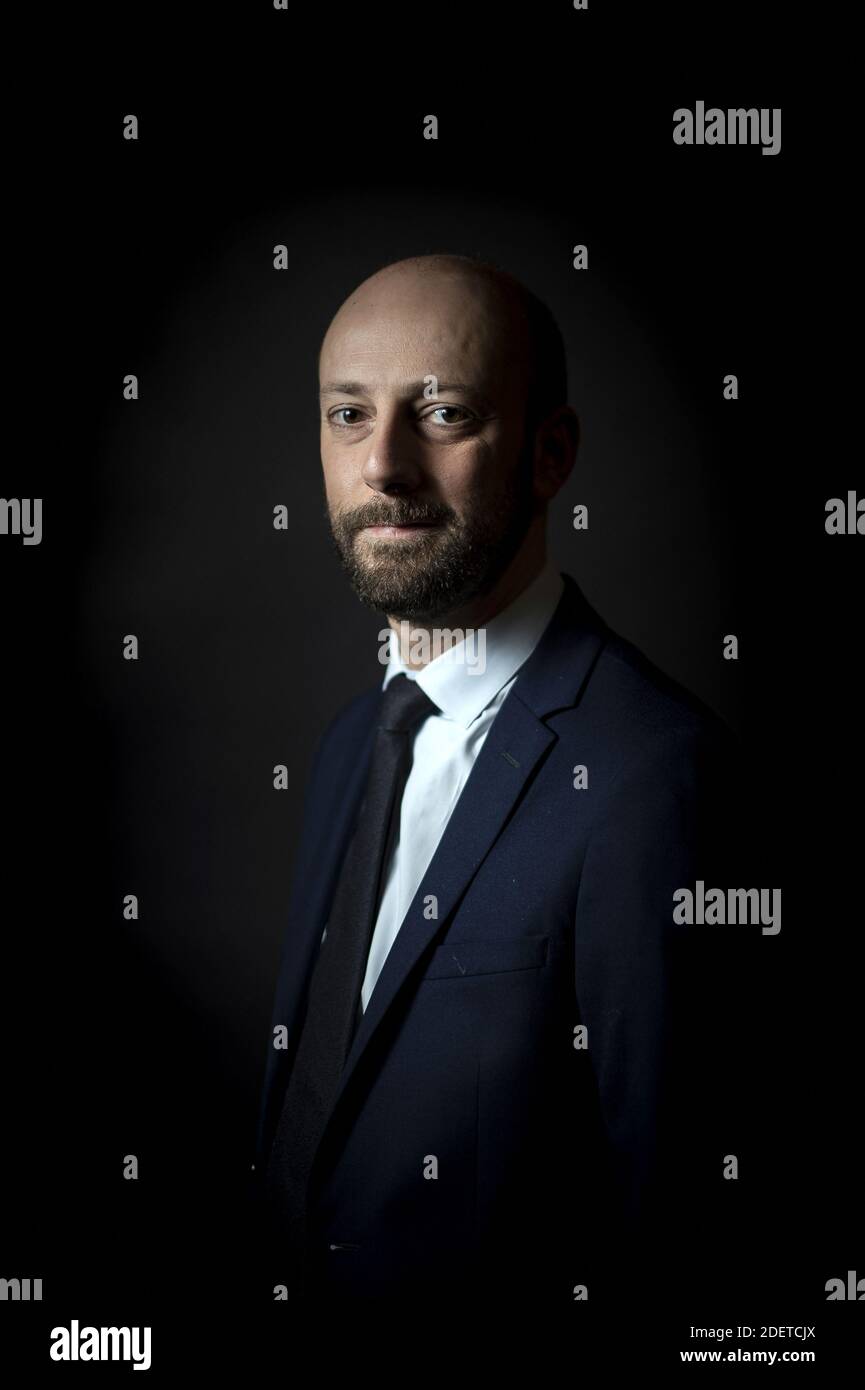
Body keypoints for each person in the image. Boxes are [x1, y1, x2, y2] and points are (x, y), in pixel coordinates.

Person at [252, 253, 749, 1313]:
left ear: (549, 452)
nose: (383, 464)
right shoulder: (352, 743)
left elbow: (690, 1246)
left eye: (442, 413)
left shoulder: (656, 779)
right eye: (348, 414)